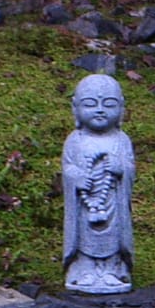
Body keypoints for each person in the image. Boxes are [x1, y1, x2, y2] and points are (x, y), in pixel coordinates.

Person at [61, 73, 134, 294]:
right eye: (91, 104)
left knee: (114, 232)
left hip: (113, 200)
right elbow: (67, 168)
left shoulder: (122, 140)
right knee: (84, 232)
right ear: (75, 108)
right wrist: (76, 177)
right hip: (86, 201)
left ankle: (112, 270)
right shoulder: (75, 140)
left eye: (109, 104)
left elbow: (130, 168)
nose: (100, 110)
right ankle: (85, 269)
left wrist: (121, 168)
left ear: (121, 108)